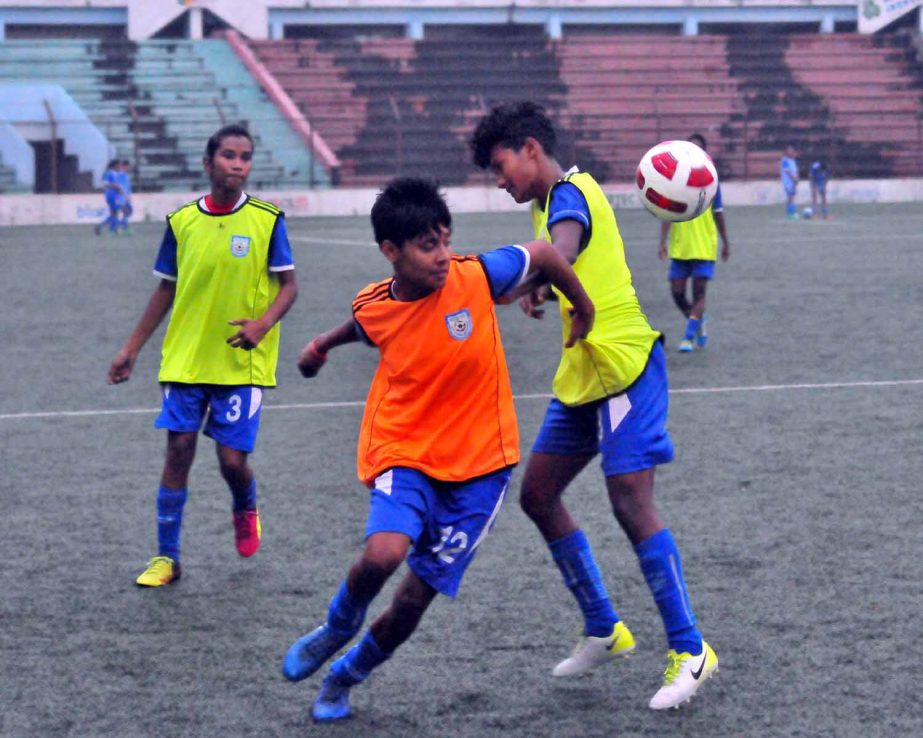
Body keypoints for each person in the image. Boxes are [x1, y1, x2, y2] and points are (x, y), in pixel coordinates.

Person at [281, 177, 594, 723]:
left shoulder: (475, 276)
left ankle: (345, 675)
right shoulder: (375, 303)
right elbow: (366, 323)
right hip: (406, 449)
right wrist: (319, 347)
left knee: (411, 602)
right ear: (391, 252)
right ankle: (339, 622)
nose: (443, 256)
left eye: (446, 240)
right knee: (383, 554)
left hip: (482, 468)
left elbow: (544, 251)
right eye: (428, 246)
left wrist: (581, 303)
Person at [470, 101, 717, 711]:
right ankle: (606, 628)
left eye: (500, 166)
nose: (498, 180)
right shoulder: (545, 201)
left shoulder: (571, 193)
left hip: (626, 367)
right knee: (538, 495)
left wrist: (525, 281)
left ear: (530, 148)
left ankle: (691, 651)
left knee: (631, 501)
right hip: (584, 375)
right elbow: (572, 267)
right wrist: (543, 293)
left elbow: (563, 249)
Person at [107, 124, 298, 587]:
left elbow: (289, 286)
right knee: (178, 449)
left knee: (231, 462)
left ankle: (244, 503)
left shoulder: (268, 220)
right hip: (186, 357)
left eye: (245, 156)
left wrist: (263, 324)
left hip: (241, 360)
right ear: (208, 162)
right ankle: (166, 558)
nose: (238, 163)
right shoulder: (182, 222)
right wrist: (131, 349)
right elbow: (166, 289)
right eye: (229, 155)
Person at [658, 133, 731, 353]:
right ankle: (697, 320)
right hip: (680, 246)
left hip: (703, 246)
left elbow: (718, 213)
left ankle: (689, 336)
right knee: (677, 294)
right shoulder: (675, 180)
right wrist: (662, 241)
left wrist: (725, 241)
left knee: (699, 293)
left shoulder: (712, 182)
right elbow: (667, 212)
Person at [95, 158, 128, 235]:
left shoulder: (115, 174)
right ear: (115, 165)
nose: (120, 166)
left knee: (114, 213)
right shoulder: (110, 173)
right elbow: (105, 183)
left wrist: (122, 193)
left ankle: (111, 228)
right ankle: (110, 228)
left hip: (114, 195)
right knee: (117, 212)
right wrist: (116, 186)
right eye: (119, 164)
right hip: (111, 195)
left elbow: (118, 186)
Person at [780, 145, 799, 220]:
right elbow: (787, 171)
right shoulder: (784, 160)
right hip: (788, 182)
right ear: (786, 152)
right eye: (789, 150)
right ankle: (790, 214)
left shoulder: (793, 160)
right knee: (790, 197)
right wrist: (794, 178)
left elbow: (795, 170)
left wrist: (797, 178)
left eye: (791, 150)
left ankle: (791, 213)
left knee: (792, 197)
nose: (790, 152)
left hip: (793, 181)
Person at [116, 158, 134, 233]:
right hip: (121, 197)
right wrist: (125, 195)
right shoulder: (120, 175)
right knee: (126, 212)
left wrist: (128, 196)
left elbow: (127, 186)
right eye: (128, 166)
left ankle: (121, 227)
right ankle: (122, 228)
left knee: (128, 212)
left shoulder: (126, 175)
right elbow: (119, 186)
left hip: (126, 197)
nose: (129, 168)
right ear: (124, 166)